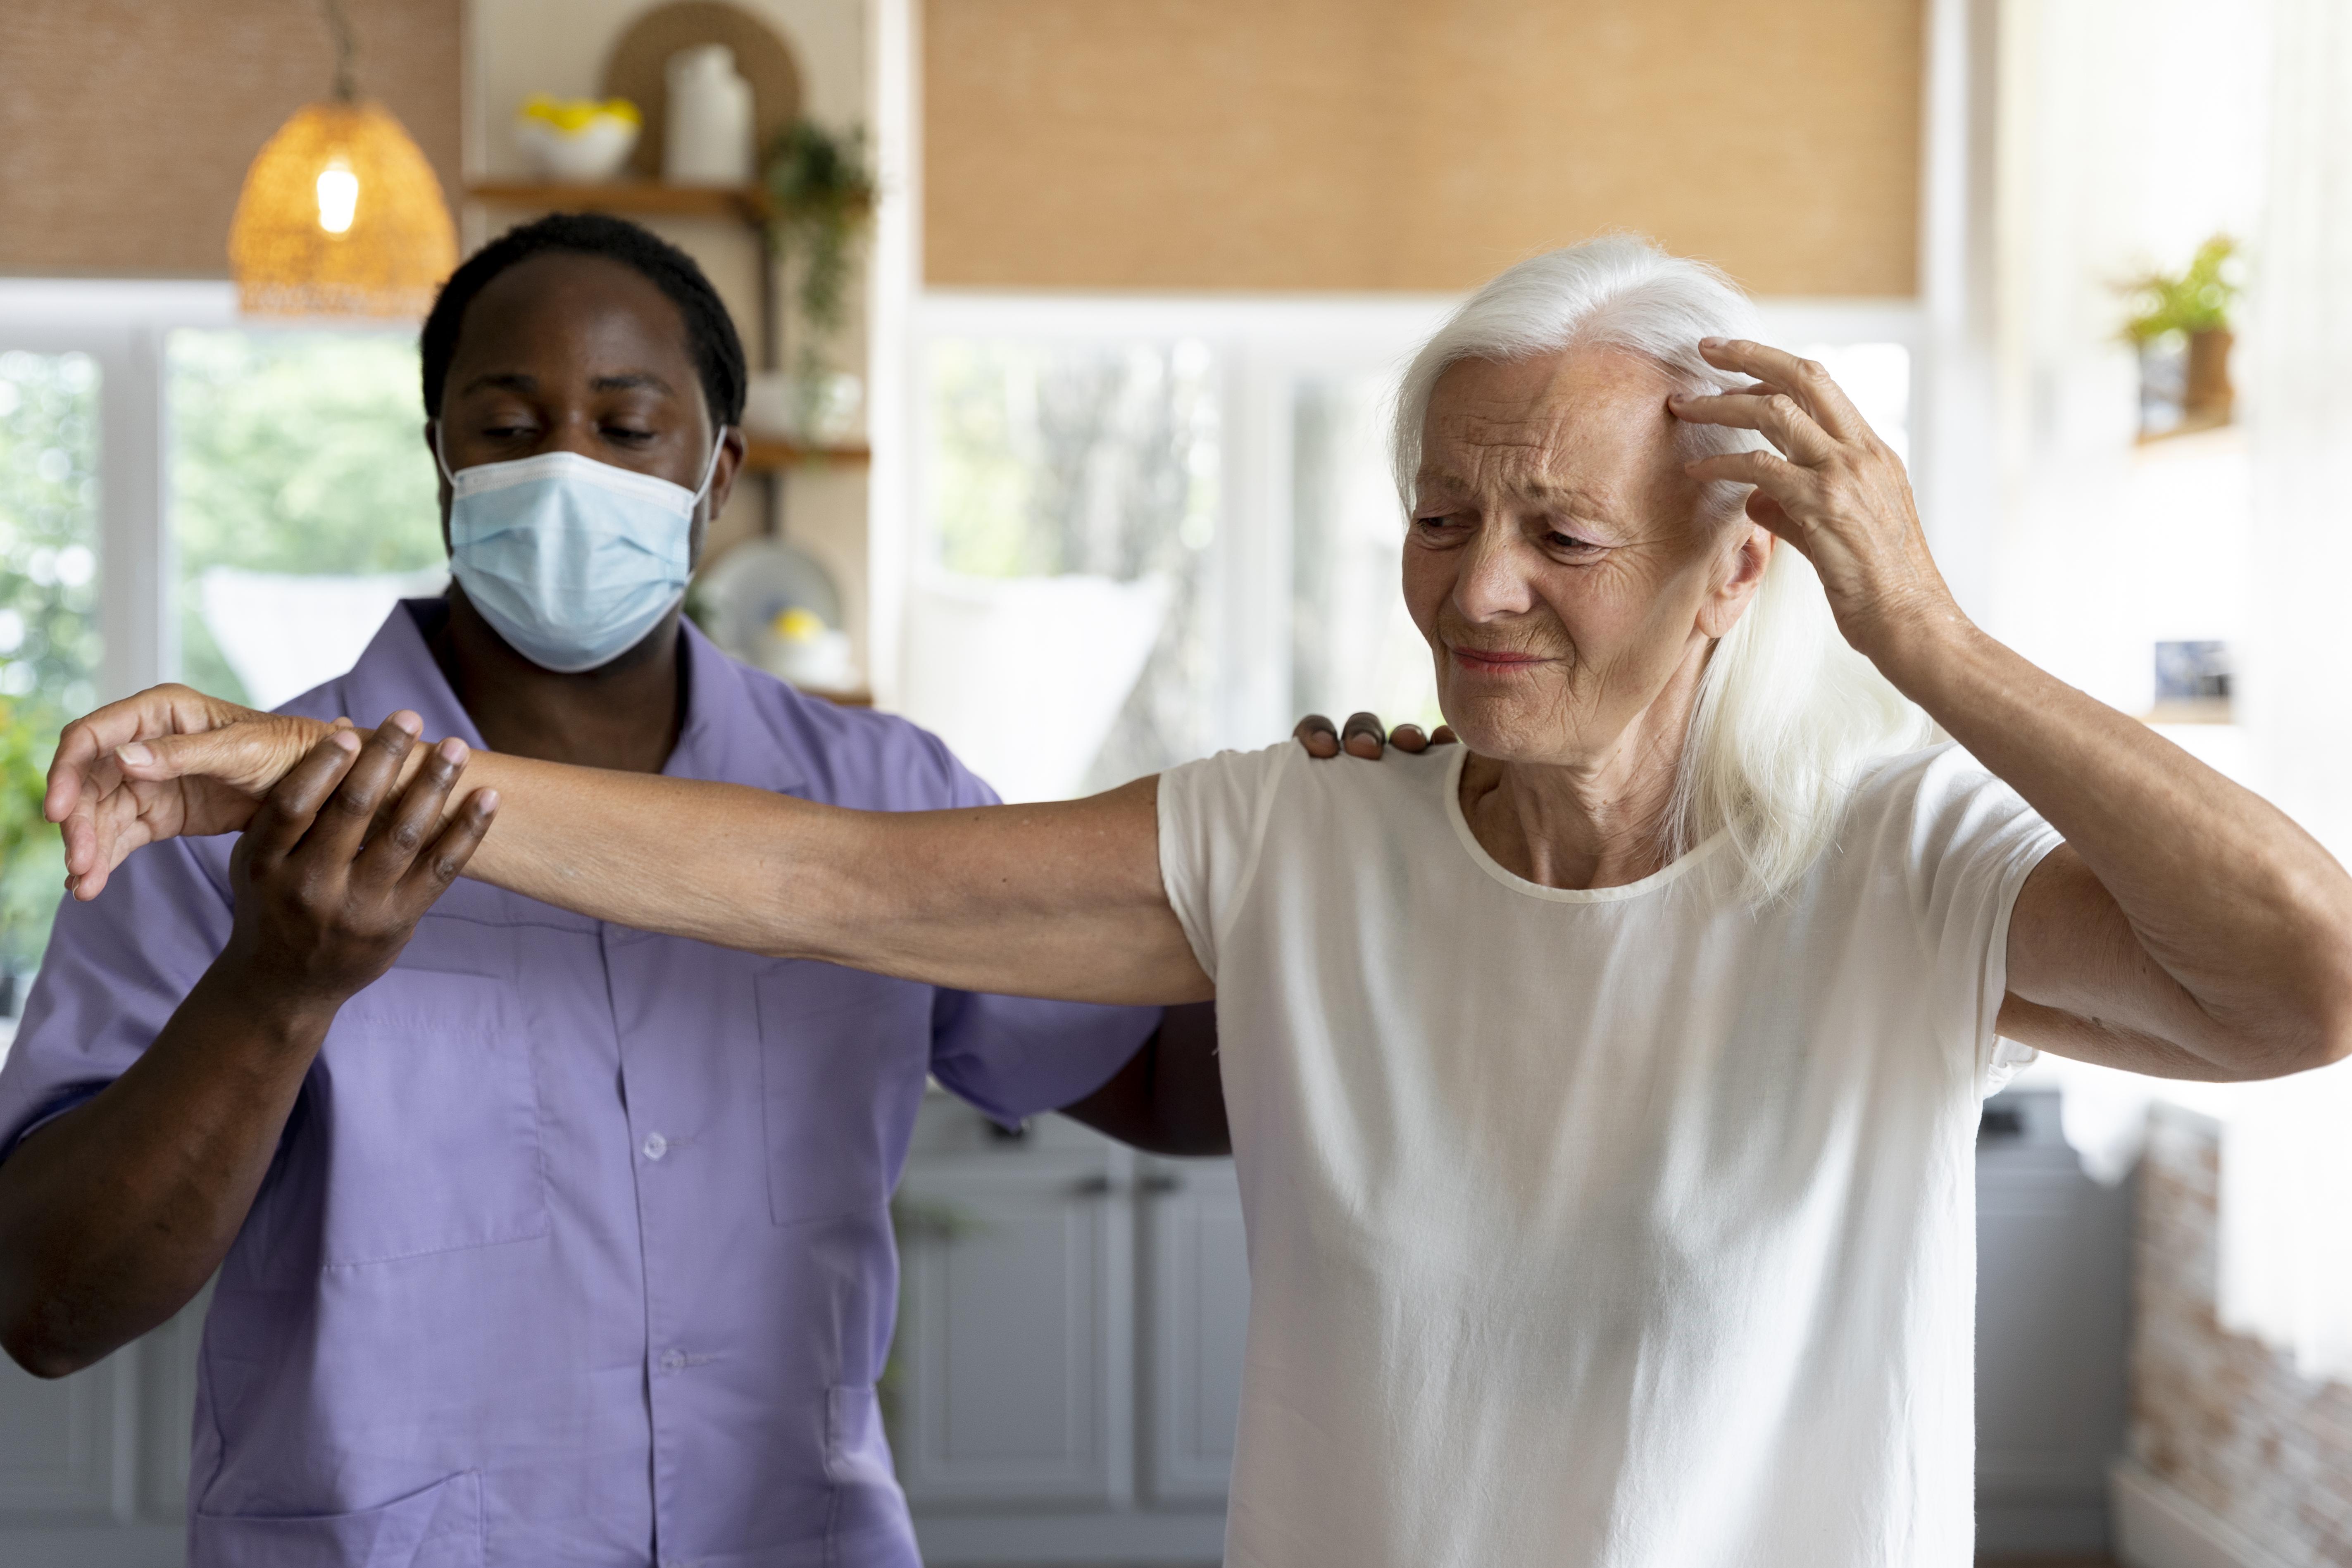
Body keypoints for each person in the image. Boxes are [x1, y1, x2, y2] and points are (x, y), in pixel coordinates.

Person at [50, 236, 2352, 1566]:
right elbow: (820, 885)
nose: (1473, 589)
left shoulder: (1885, 872)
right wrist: (271, 786)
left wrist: (1923, 640)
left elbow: (2297, 978)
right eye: (1439, 518)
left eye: (1556, 533)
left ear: (1742, 562)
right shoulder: (1287, 833)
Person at [0, 213, 1250, 1568]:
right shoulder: (232, 816)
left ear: (718, 475)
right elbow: (50, 1302)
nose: (565, 470)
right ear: (441, 463)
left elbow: (1158, 1075)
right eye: (509, 424)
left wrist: (1386, 891)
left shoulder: (880, 798)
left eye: (626, 426)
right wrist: (276, 984)